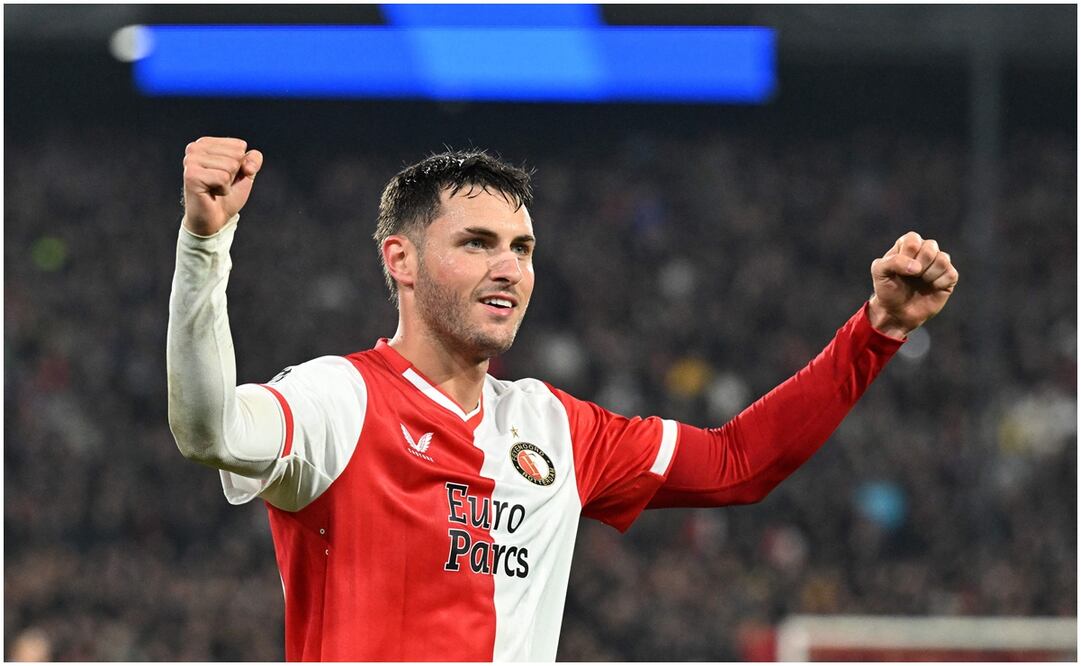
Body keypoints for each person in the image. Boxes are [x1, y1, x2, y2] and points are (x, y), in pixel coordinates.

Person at [167, 137, 958, 661]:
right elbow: (210, 430)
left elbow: (738, 463)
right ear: (400, 260)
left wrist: (877, 330)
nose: (508, 268)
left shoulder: (553, 427)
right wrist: (205, 245)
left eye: (522, 248)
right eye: (477, 243)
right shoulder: (338, 398)